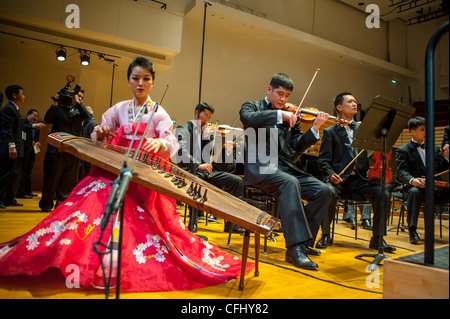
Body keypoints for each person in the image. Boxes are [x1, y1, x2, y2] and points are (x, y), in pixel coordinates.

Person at [0, 56, 253, 292]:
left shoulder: (159, 112)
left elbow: (171, 142)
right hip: (115, 167)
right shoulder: (120, 109)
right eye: (135, 78)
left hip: (143, 174)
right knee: (93, 193)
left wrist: (160, 145)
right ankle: (69, 252)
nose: (140, 83)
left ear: (152, 81)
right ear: (129, 80)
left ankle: (108, 260)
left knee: (122, 205)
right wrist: (101, 134)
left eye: (145, 78)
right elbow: (100, 130)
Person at [240, 73, 335, 270]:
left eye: (287, 96)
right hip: (260, 167)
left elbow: (295, 150)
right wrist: (279, 115)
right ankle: (294, 249)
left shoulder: (292, 117)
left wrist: (315, 129)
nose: (283, 100)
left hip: (284, 167)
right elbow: (248, 119)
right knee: (290, 183)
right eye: (280, 94)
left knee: (324, 190)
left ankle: (304, 243)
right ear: (269, 89)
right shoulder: (252, 106)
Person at [317, 92, 396, 253]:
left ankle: (378, 239)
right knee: (328, 191)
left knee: (383, 193)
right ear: (339, 107)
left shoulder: (364, 130)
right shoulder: (331, 132)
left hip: (360, 180)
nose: (355, 104)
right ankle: (325, 234)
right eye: (350, 101)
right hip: (339, 180)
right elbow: (323, 160)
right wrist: (330, 174)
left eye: (355, 102)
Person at [176, 102, 245, 234]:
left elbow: (221, 165)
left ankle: (231, 224)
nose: (207, 119)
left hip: (206, 171)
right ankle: (193, 221)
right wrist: (198, 164)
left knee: (237, 181)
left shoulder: (207, 133)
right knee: (196, 180)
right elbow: (181, 152)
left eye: (209, 117)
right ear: (197, 113)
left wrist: (226, 150)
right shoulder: (183, 129)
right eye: (205, 115)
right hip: (190, 170)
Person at [395, 116, 449, 244]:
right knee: (414, 192)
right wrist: (412, 180)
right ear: (412, 131)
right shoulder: (403, 150)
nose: (426, 132)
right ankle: (412, 231)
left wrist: (447, 158)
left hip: (435, 190)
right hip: (417, 189)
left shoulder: (434, 149)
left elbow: (443, 170)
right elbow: (401, 171)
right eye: (423, 129)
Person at [39, 88, 89, 212]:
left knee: (68, 179)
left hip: (72, 150)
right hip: (56, 150)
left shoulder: (79, 111)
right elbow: (48, 119)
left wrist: (78, 102)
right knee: (52, 178)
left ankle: (62, 204)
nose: (78, 98)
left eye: (80, 97)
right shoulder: (59, 108)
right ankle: (46, 203)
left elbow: (86, 116)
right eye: (77, 96)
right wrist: (55, 103)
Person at [0, 85, 26, 209]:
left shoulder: (15, 109)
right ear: (14, 95)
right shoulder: (8, 109)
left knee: (13, 176)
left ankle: (9, 199)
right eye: (21, 93)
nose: (24, 96)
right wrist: (11, 146)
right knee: (5, 175)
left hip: (17, 148)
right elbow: (6, 129)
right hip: (10, 149)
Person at [17, 109, 44, 198]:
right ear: (28, 115)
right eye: (34, 115)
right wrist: (34, 125)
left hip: (32, 152)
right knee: (22, 172)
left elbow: (35, 140)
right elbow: (24, 127)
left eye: (37, 116)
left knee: (29, 173)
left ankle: (29, 191)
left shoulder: (36, 129)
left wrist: (37, 142)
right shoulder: (23, 122)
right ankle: (21, 193)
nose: (36, 117)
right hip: (24, 152)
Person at [79, 105, 97, 181]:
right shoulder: (87, 123)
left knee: (87, 174)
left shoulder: (92, 123)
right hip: (85, 153)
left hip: (88, 154)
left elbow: (94, 141)